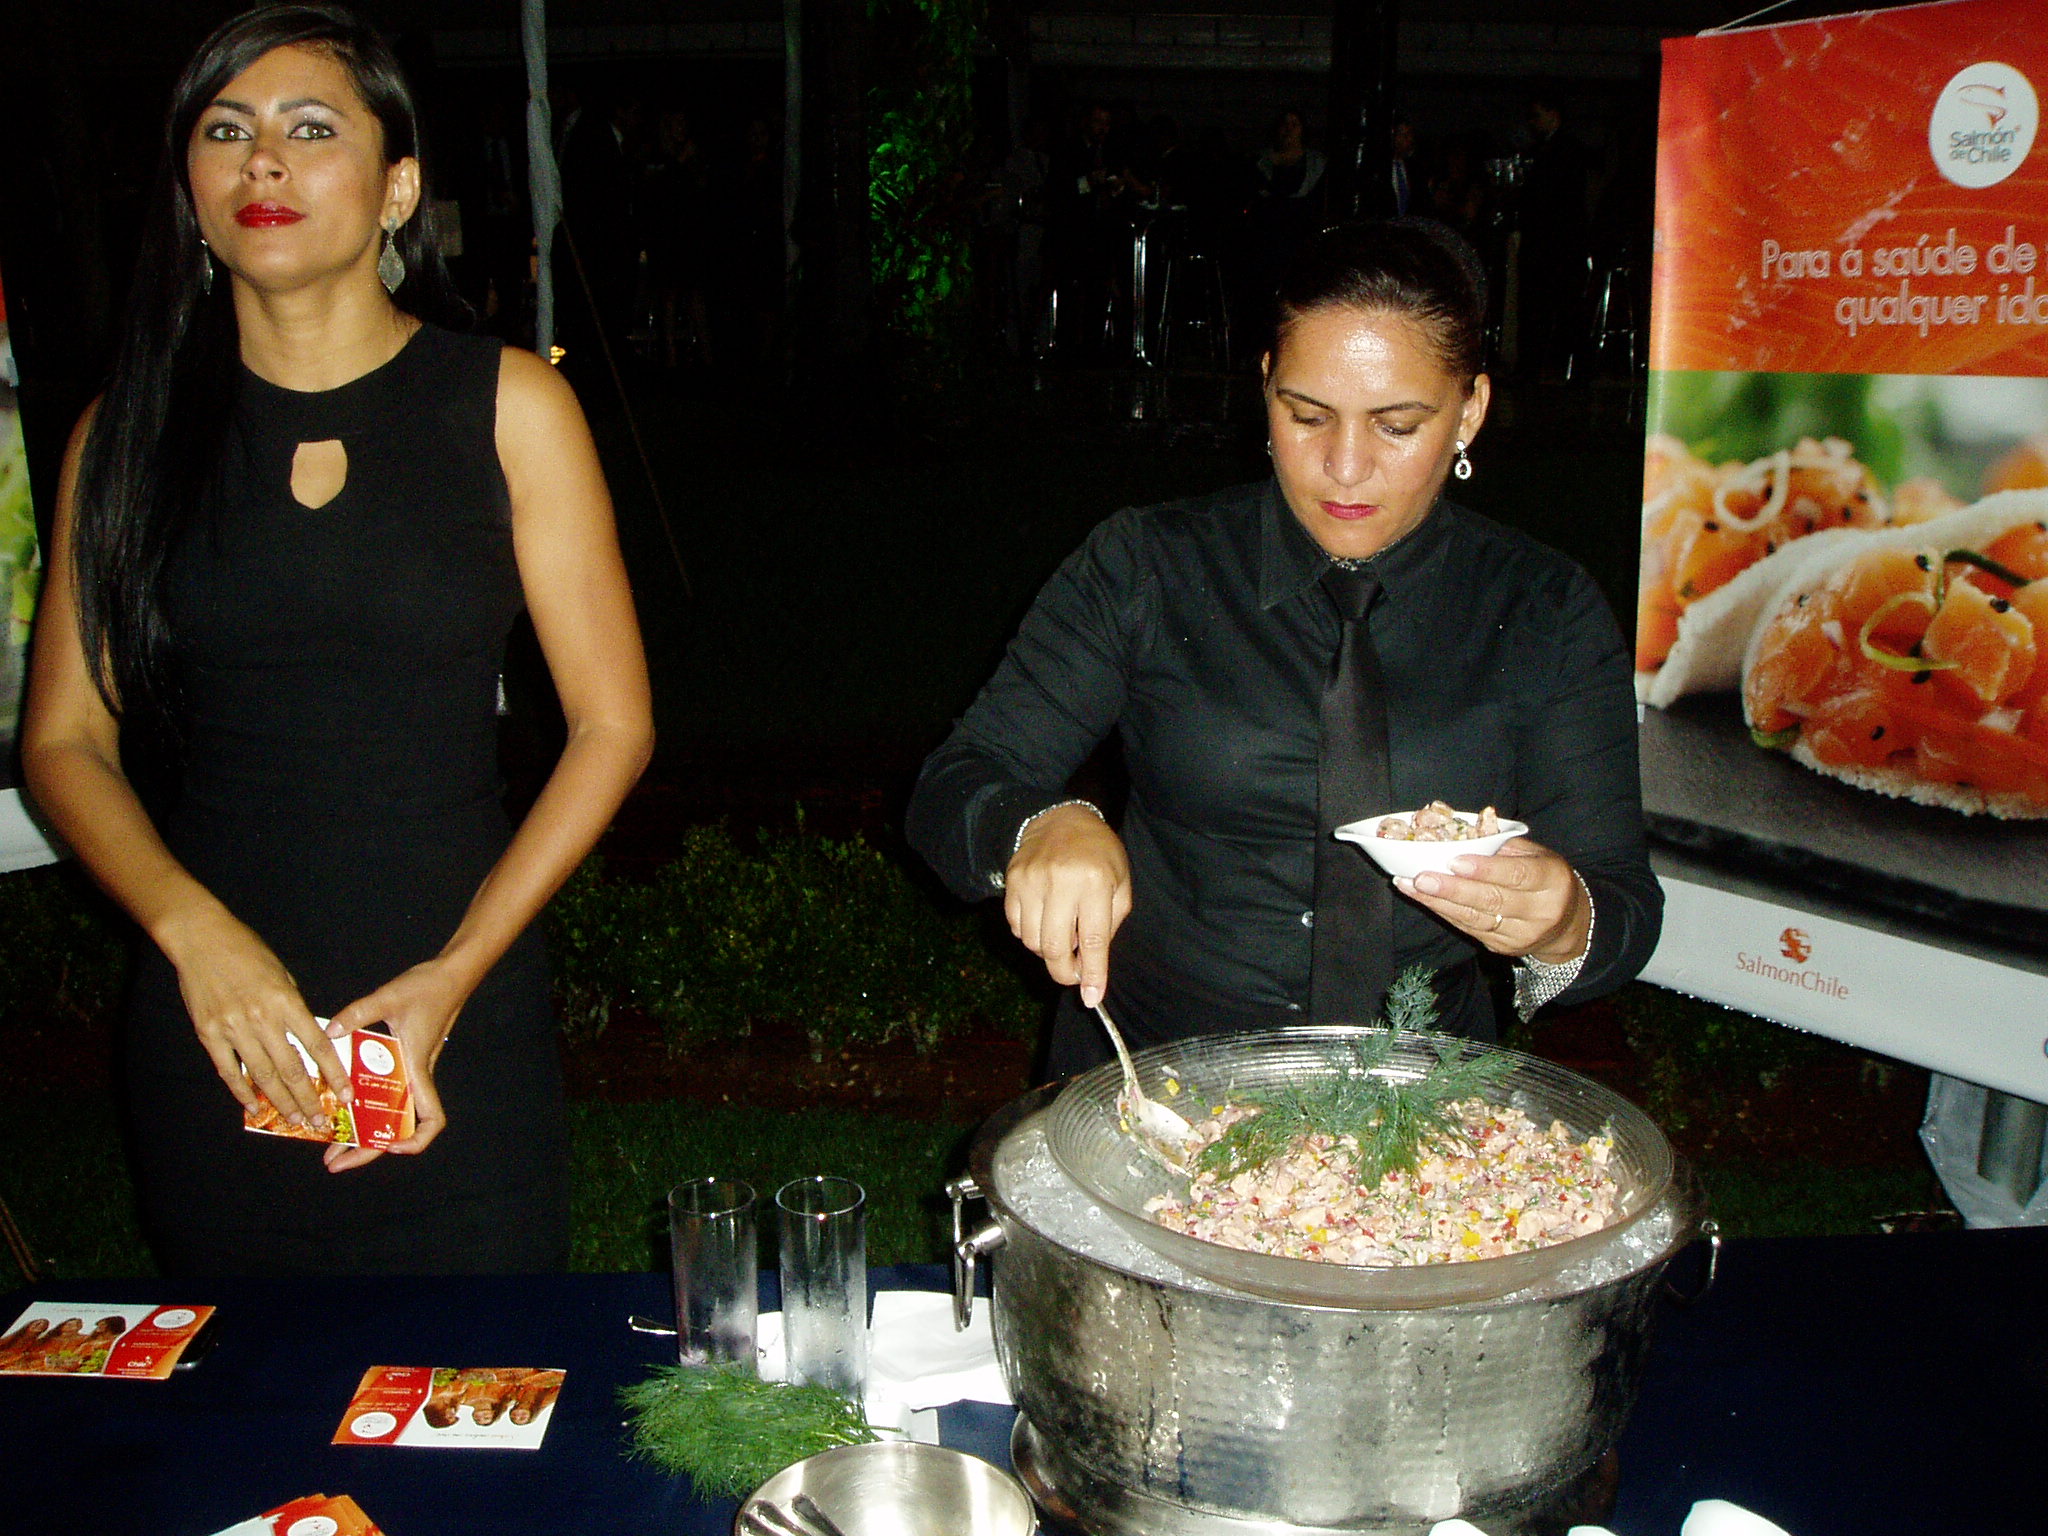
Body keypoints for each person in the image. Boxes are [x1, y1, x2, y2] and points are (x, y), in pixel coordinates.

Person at [21, 3, 654, 1275]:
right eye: (226, 132)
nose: (263, 159)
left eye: (311, 130)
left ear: (396, 189)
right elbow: (65, 740)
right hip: (219, 1025)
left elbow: (612, 726)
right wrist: (197, 939)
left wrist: (456, 974)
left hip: (454, 1003)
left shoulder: (508, 407)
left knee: (471, 1377)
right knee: (248, 1389)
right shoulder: (125, 435)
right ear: (191, 195)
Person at [907, 220, 1659, 1077]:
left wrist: (1563, 921)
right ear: (1265, 387)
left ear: (1470, 412)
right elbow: (954, 783)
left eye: (1397, 426)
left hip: (1421, 1096)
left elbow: (1624, 908)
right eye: (1307, 415)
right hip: (1156, 1076)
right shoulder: (1149, 566)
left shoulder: (1544, 608)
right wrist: (1035, 825)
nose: (1345, 466)